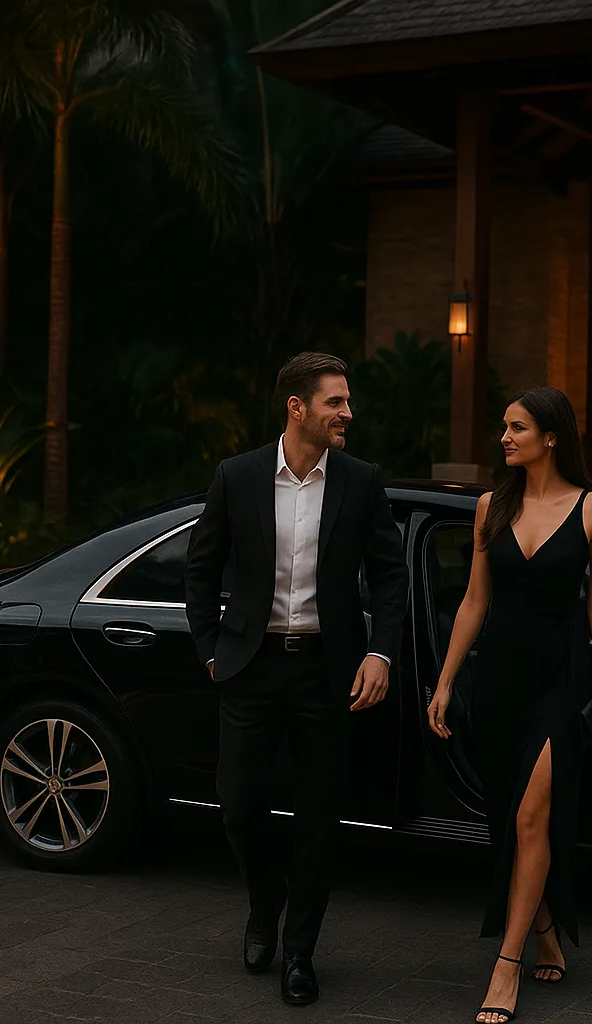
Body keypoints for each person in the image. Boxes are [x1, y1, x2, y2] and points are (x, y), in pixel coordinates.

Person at [185, 352, 408, 1007]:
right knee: (239, 805)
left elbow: (391, 577)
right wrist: (209, 648)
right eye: (336, 402)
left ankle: (300, 955)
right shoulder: (240, 476)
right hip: (250, 670)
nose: (347, 413)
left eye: (346, 401)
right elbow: (201, 569)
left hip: (327, 673)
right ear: (297, 407)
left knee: (318, 820)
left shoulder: (361, 482)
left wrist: (382, 654)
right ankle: (264, 905)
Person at [427, 386, 592, 1024]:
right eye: (503, 427)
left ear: (552, 437)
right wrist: (447, 681)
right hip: (500, 681)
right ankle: (542, 926)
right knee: (509, 820)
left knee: (533, 817)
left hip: (560, 680)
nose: (504, 438)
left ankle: (504, 967)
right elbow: (474, 602)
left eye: (516, 428)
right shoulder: (491, 506)